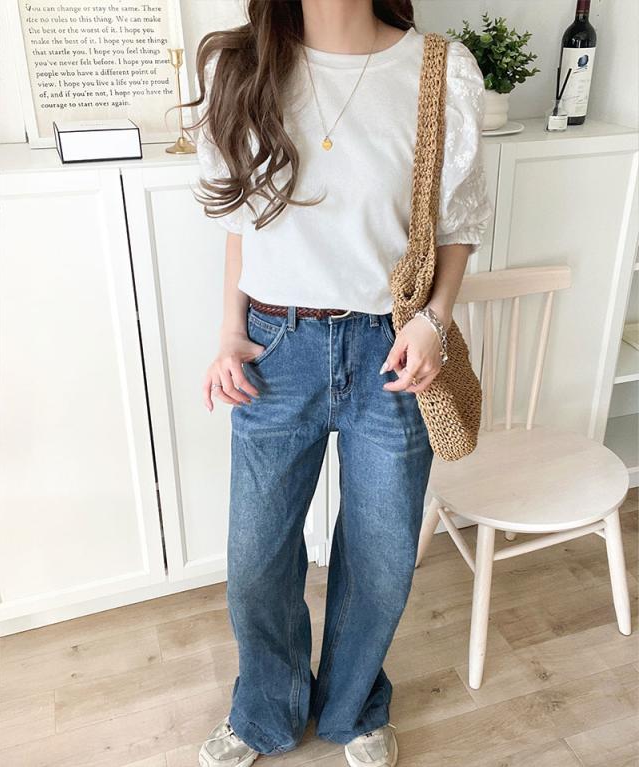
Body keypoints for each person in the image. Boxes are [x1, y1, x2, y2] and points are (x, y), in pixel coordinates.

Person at [189, 1, 492, 765]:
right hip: (274, 348)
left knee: (382, 559)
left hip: (389, 349)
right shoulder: (242, 66)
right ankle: (265, 710)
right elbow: (240, 223)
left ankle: (354, 707)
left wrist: (435, 321)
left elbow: (456, 226)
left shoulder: (439, 71)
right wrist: (229, 332)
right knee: (257, 560)